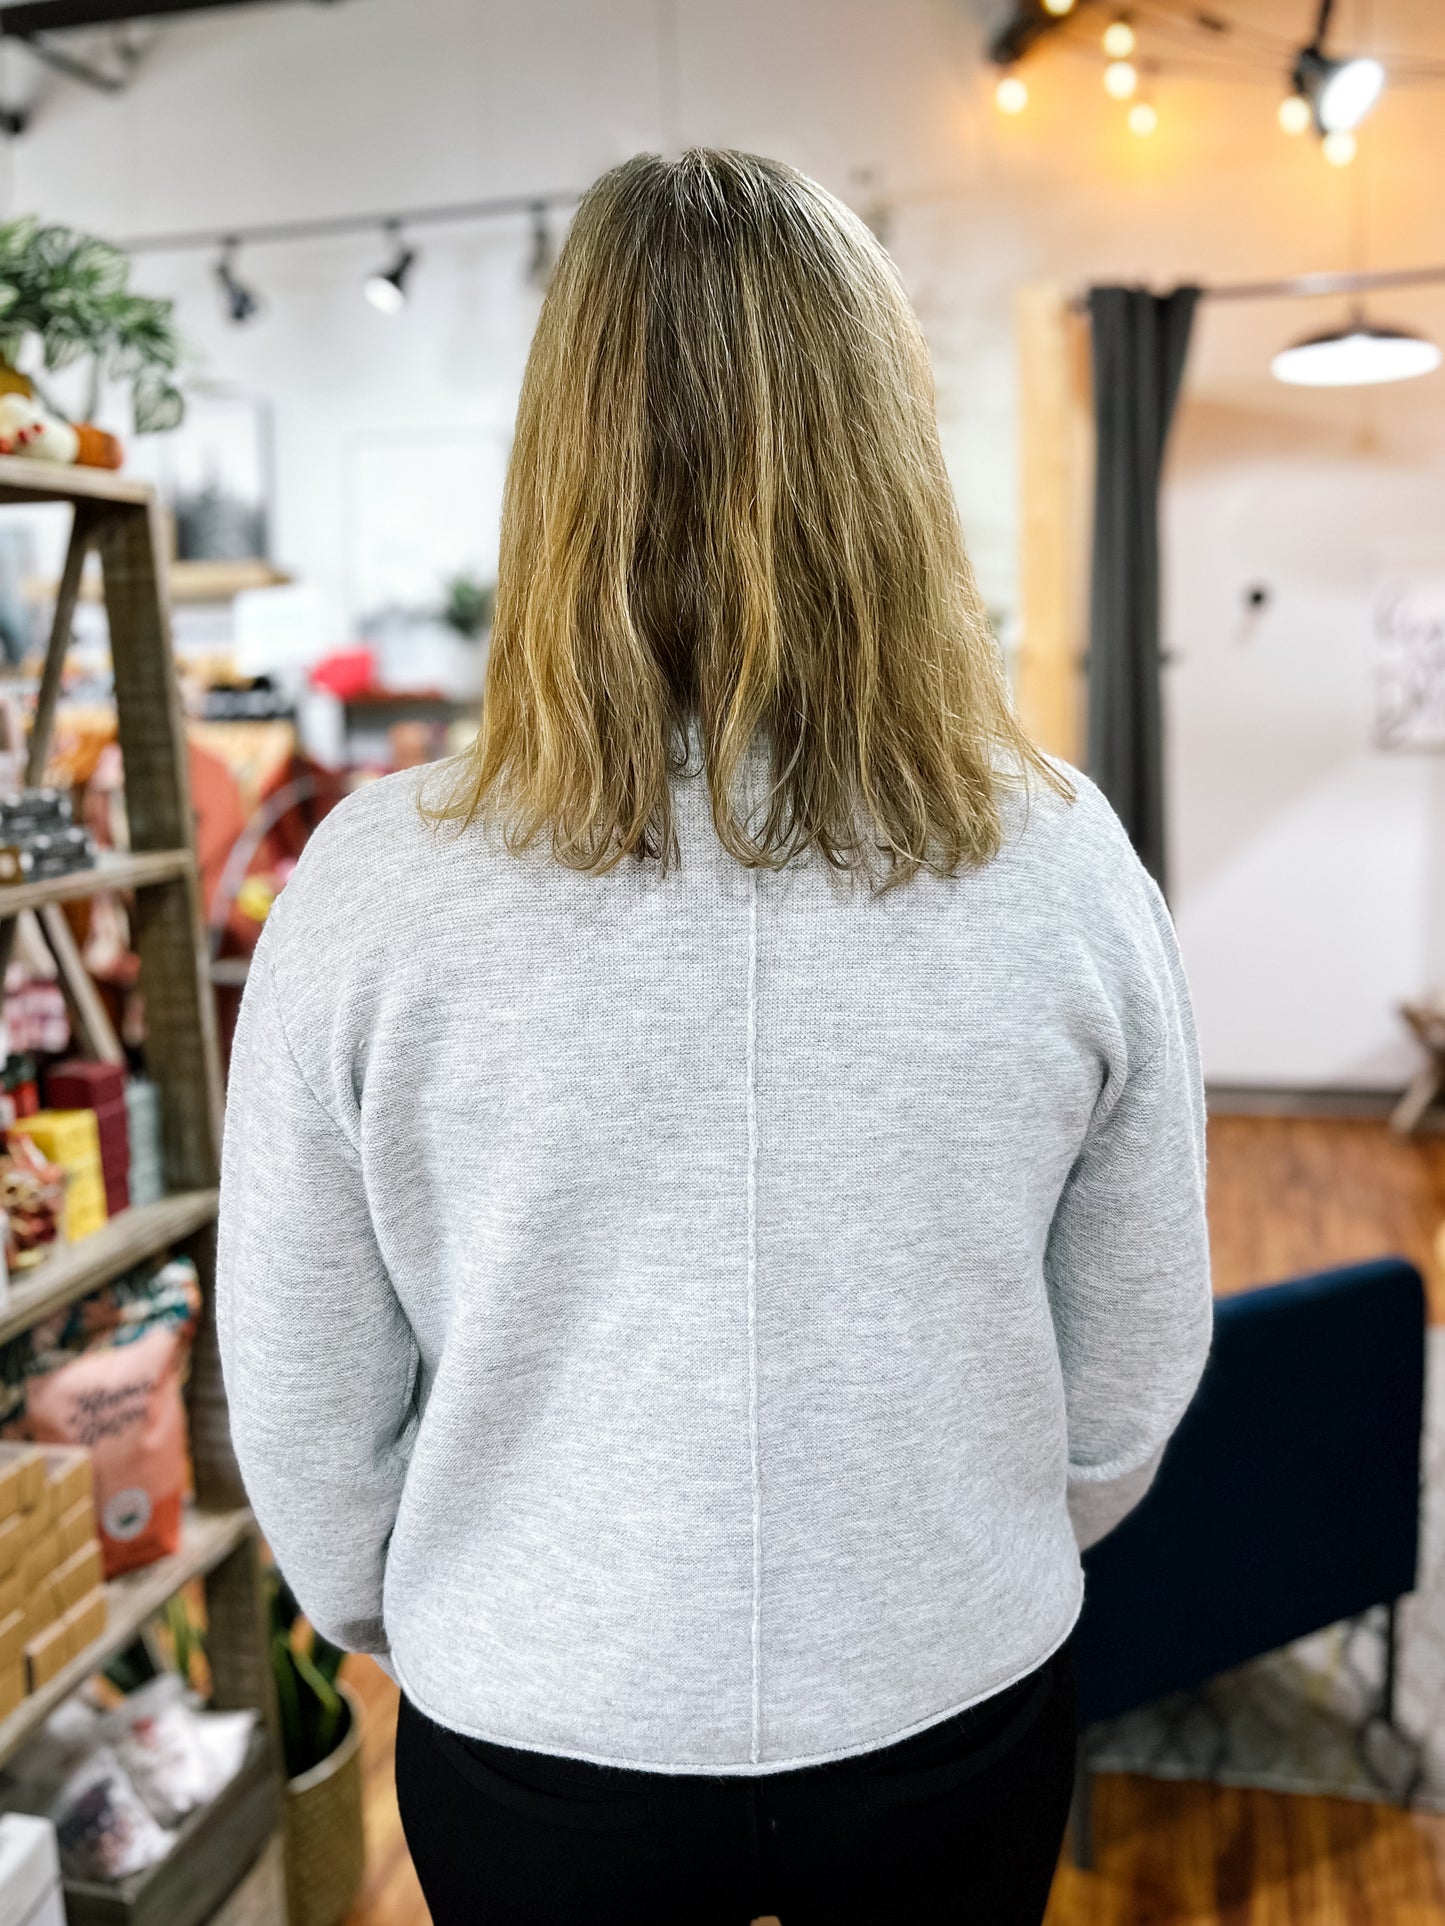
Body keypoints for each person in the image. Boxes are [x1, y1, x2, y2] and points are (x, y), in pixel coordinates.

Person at [217, 147, 1212, 1926]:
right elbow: (1133, 1365)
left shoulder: (371, 886)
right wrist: (962, 1548)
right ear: (885, 454)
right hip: (949, 1692)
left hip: (534, 1714)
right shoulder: (1060, 857)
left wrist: (442, 1600)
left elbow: (301, 1403)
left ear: (556, 459)